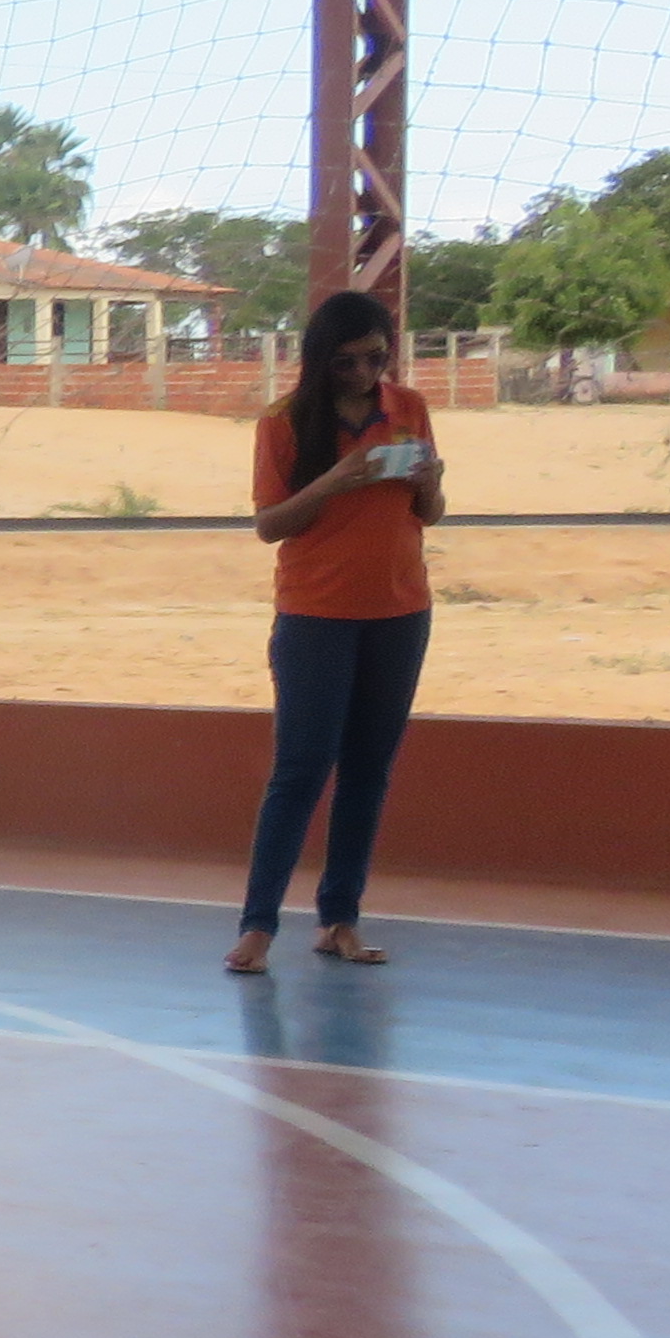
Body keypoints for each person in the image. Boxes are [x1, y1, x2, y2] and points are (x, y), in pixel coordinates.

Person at [228, 288, 443, 975]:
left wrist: (430, 481)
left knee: (367, 770)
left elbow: (429, 512)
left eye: (376, 358)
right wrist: (337, 479)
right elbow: (270, 525)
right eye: (346, 361)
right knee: (300, 769)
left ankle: (340, 918)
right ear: (320, 359)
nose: (363, 373)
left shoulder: (408, 408)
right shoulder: (284, 423)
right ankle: (258, 927)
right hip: (316, 615)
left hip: (400, 612)